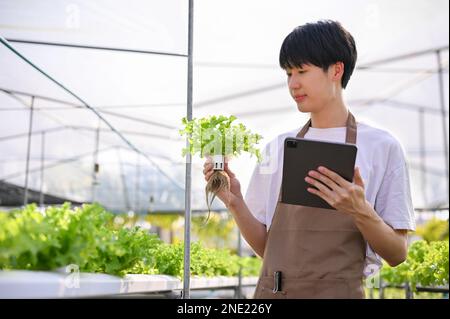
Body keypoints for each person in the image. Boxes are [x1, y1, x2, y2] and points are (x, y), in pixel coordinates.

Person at [203, 20, 415, 299]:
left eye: (302, 71)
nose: (293, 84)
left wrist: (360, 210)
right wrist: (235, 202)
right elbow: (270, 249)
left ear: (336, 70)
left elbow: (397, 254)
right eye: (288, 73)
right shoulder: (277, 148)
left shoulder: (382, 147)